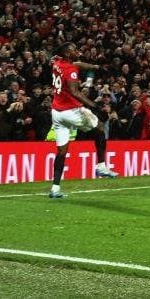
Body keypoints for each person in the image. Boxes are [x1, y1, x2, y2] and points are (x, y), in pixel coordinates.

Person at [48, 42, 119, 198]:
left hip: (57, 113)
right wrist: (96, 108)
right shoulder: (70, 69)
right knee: (100, 127)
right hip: (70, 111)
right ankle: (101, 166)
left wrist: (95, 68)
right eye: (73, 50)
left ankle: (55, 188)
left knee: (61, 152)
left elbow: (77, 63)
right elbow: (75, 92)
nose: (77, 51)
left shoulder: (57, 62)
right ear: (67, 54)